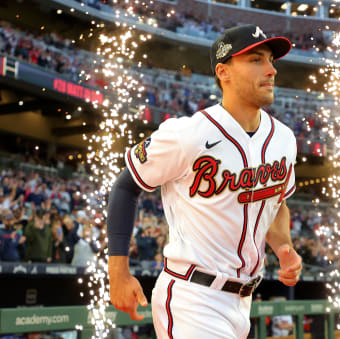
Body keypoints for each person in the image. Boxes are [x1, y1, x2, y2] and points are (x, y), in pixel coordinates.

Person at [107, 24, 302, 338]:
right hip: (191, 297)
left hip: (243, 303)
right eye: (256, 60)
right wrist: (117, 272)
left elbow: (275, 203)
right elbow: (125, 186)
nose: (271, 70)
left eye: (271, 60)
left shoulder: (284, 139)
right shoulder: (189, 134)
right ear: (223, 72)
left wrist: (283, 247)